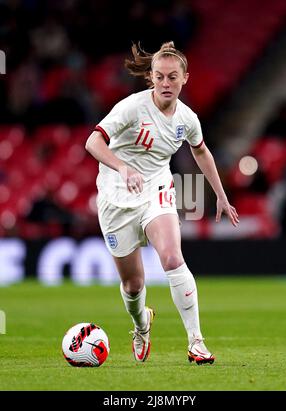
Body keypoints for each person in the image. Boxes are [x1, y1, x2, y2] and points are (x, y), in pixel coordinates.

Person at [85, 41, 239, 365]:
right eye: (159, 77)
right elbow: (92, 141)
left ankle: (196, 342)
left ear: (185, 78)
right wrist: (123, 166)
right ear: (151, 79)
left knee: (171, 258)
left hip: (156, 189)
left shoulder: (188, 118)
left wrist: (221, 195)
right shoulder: (131, 108)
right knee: (133, 283)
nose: (166, 83)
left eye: (172, 77)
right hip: (115, 196)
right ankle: (141, 326)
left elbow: (201, 151)